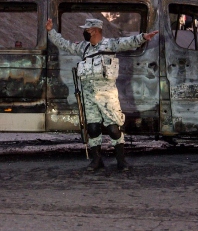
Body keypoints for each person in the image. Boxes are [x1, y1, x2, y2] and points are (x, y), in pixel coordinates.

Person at [46, 18, 158, 171]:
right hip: (88, 93)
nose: (85, 32)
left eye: (87, 30)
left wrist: (143, 37)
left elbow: (127, 42)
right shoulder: (83, 48)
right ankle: (96, 160)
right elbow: (65, 45)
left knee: (113, 128)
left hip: (107, 94)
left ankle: (121, 160)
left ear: (96, 30)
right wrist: (51, 31)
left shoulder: (109, 45)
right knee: (92, 127)